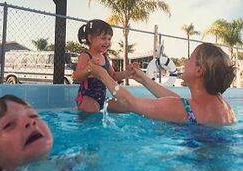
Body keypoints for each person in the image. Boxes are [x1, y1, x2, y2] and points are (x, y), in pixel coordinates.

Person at [88, 43, 236, 125]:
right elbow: (181, 104)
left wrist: (102, 75)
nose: (184, 61)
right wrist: (145, 80)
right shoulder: (225, 108)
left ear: (199, 70)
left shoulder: (185, 110)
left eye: (190, 58)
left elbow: (129, 102)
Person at [72, 19, 134, 112]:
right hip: (87, 98)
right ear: (90, 38)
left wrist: (128, 73)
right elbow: (76, 77)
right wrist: (89, 68)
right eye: (103, 38)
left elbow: (113, 76)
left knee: (124, 106)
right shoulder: (85, 56)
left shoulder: (104, 57)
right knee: (93, 110)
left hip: (102, 99)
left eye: (109, 39)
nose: (107, 42)